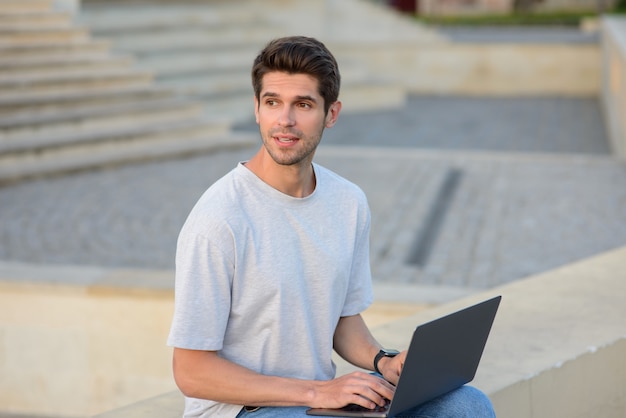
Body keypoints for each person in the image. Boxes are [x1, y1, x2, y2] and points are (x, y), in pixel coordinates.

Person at [167, 36, 495, 418]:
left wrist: (383, 362)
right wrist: (317, 392)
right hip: (244, 410)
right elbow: (191, 371)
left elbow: (341, 319)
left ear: (332, 114)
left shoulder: (348, 201)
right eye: (272, 102)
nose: (284, 120)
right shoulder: (218, 218)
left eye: (303, 105)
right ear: (256, 108)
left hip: (319, 402)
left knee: (467, 405)